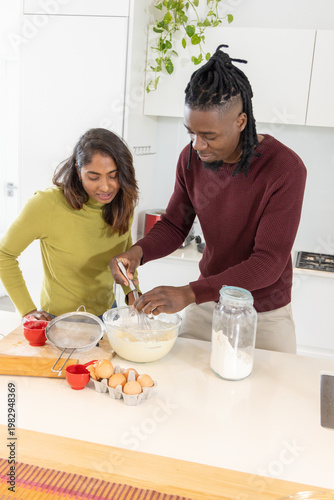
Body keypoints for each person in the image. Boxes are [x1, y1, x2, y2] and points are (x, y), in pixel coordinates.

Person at [110, 45, 307, 354]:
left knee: (266, 400)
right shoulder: (190, 159)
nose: (198, 145)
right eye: (191, 133)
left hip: (263, 314)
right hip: (207, 304)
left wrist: (189, 293)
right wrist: (137, 253)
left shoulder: (284, 169)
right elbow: (175, 225)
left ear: (240, 121)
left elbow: (268, 263)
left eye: (209, 136)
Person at [0, 128, 139, 321]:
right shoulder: (47, 205)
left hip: (108, 314)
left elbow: (124, 258)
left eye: (113, 175)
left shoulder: (123, 203)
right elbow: (4, 254)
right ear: (78, 170)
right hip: (60, 319)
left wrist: (133, 293)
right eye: (93, 177)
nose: (106, 187)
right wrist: (28, 311)